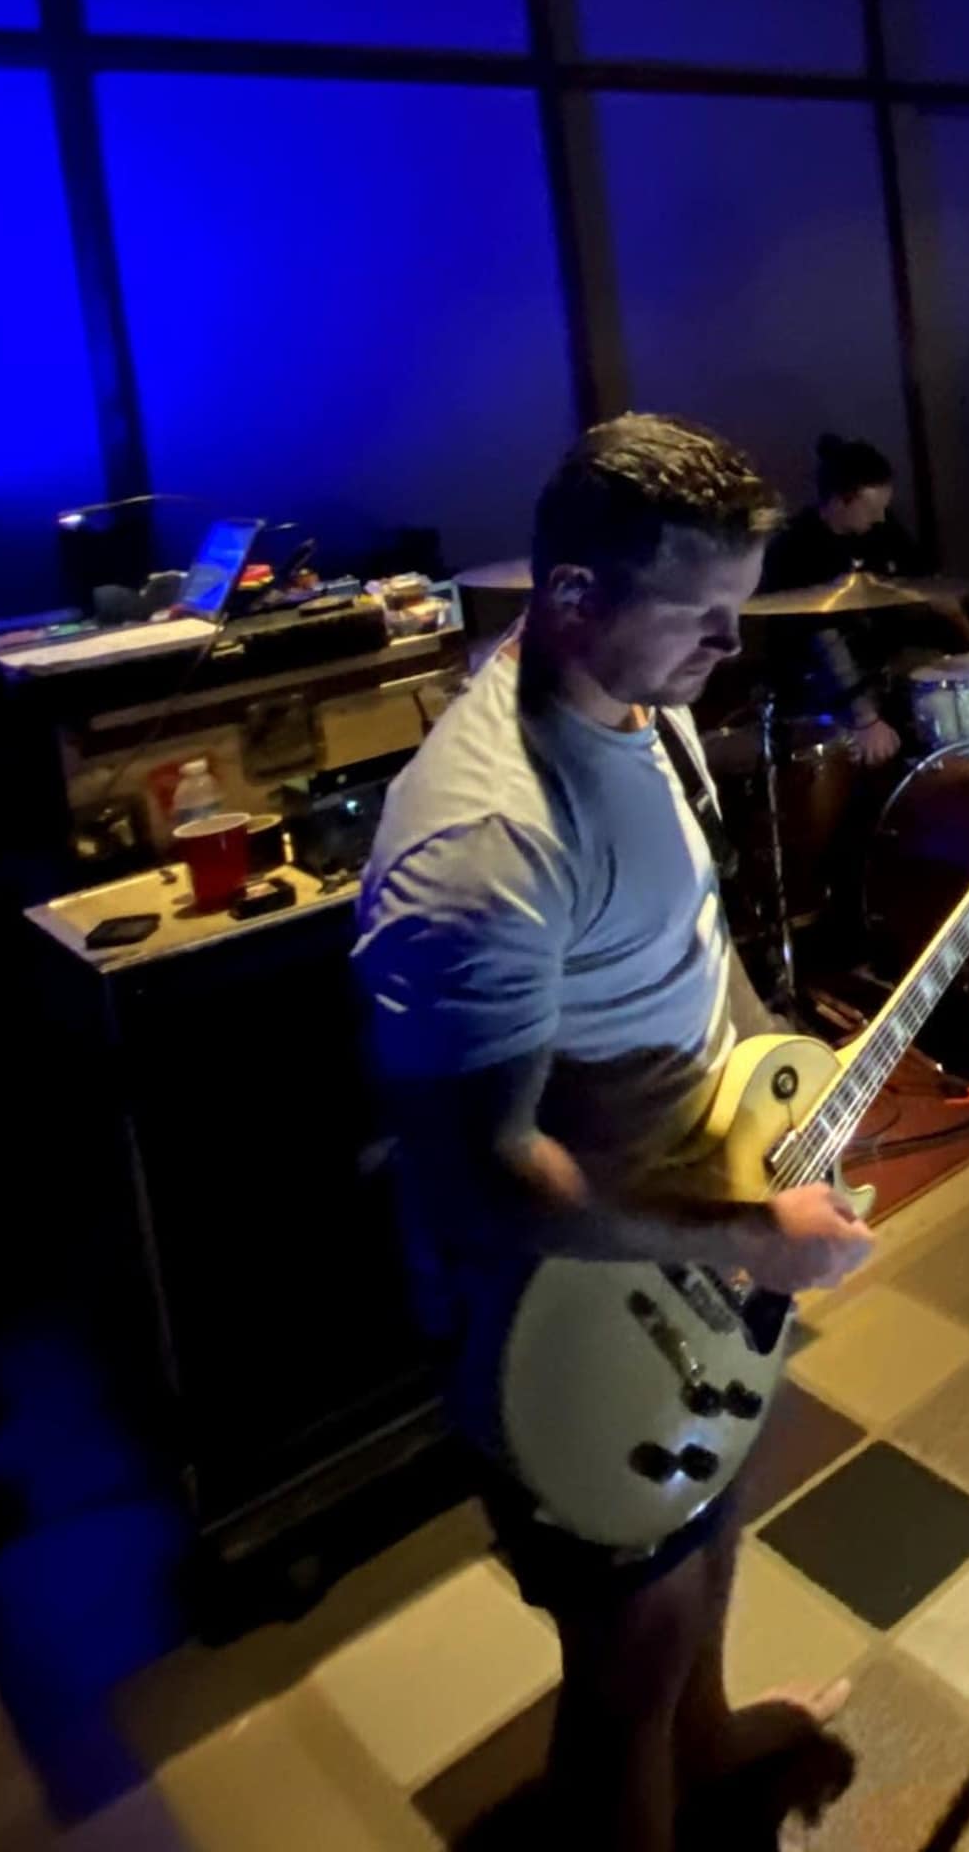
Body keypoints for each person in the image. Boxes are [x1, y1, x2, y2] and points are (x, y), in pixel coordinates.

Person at [355, 416, 874, 1849]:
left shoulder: (645, 704)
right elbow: (485, 1183)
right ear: (574, 597)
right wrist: (752, 1235)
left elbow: (700, 954)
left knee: (711, 1534)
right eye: (700, 618)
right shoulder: (484, 837)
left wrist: (787, 1096)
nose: (729, 648)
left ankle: (709, 1761)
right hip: (565, 1305)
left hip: (687, 1238)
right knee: (623, 1654)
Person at [760, 434, 946, 766]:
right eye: (873, 509)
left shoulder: (880, 532)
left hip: (877, 668)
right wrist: (866, 717)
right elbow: (823, 641)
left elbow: (921, 576)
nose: (881, 519)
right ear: (840, 500)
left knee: (941, 685)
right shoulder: (795, 547)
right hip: (819, 689)